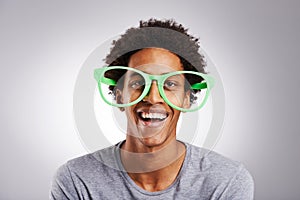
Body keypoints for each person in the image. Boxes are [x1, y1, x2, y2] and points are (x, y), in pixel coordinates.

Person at [50, 19, 254, 199]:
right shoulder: (76, 180)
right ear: (120, 95)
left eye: (170, 84)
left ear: (187, 99)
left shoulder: (226, 181)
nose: (153, 97)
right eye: (138, 82)